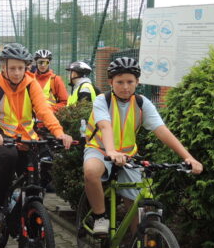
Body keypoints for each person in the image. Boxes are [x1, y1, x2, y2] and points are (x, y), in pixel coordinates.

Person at [83, 56, 203, 235]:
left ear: (137, 82)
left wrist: (188, 157)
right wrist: (111, 151)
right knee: (91, 171)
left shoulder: (141, 103)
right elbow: (105, 126)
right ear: (110, 82)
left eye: (130, 81)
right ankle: (100, 217)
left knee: (137, 207)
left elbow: (162, 131)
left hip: (128, 155)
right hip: (100, 149)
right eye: (120, 82)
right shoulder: (102, 100)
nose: (125, 87)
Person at [0, 43, 73, 225]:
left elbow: (44, 110)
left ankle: (28, 214)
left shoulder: (31, 84)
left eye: (21, 68)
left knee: (36, 180)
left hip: (27, 137)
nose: (16, 72)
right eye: (12, 68)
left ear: (26, 67)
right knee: (9, 158)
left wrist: (59, 132)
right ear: (4, 67)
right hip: (2, 134)